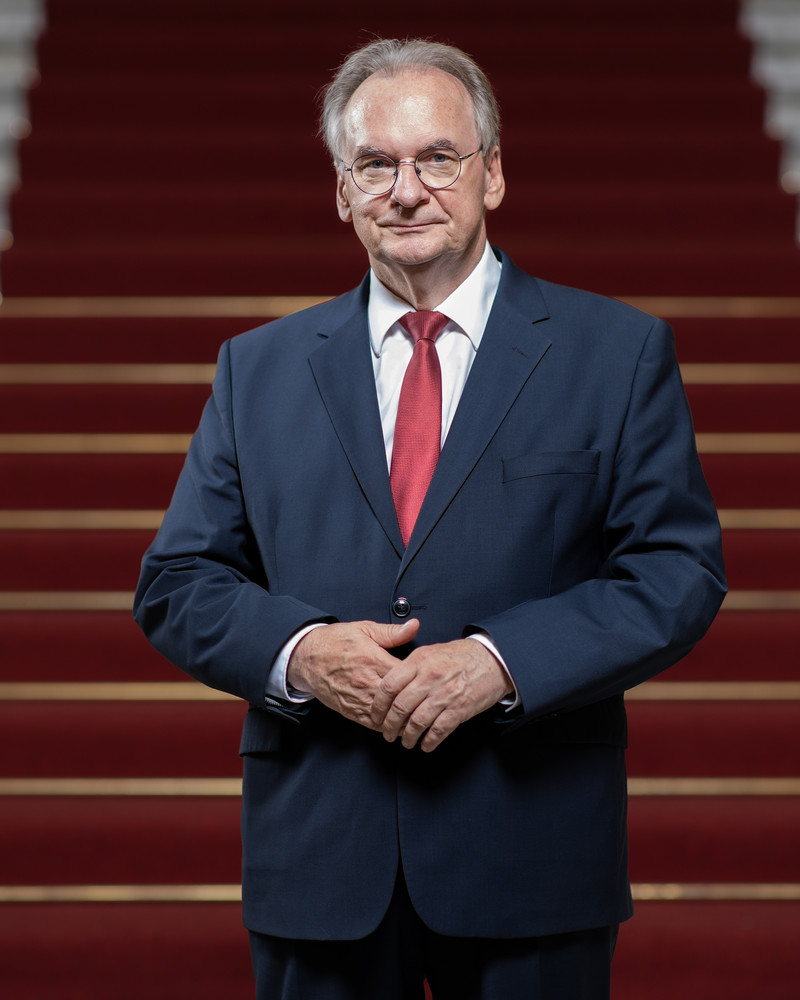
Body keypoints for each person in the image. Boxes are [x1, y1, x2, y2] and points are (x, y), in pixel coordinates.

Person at [134, 37, 726, 1000]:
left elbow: (677, 571)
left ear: (492, 174)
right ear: (342, 190)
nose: (407, 190)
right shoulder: (259, 368)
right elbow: (177, 583)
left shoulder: (615, 353)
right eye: (376, 164)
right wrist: (304, 653)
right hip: (320, 857)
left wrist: (501, 661)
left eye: (438, 158)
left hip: (532, 852)